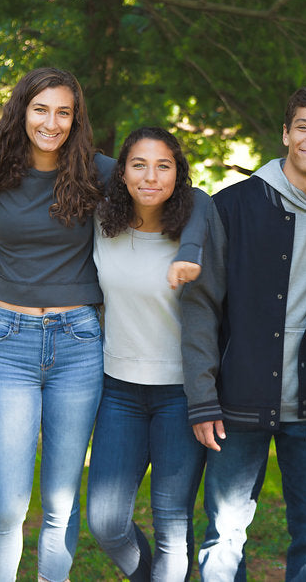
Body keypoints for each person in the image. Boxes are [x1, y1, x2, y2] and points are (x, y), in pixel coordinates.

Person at [0, 67, 208, 582]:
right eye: (40, 109)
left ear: (76, 120)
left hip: (79, 344)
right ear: (21, 111)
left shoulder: (99, 173)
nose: (51, 122)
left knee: (60, 501)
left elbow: (189, 193)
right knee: (8, 503)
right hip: (10, 340)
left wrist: (188, 249)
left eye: (63, 112)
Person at [182, 84, 306, 581]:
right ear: (286, 132)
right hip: (237, 402)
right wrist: (201, 397)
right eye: (304, 126)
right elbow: (199, 308)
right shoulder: (232, 206)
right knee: (223, 536)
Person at [87, 127, 207, 581]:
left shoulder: (197, 230)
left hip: (180, 394)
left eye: (164, 165)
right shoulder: (103, 224)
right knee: (105, 520)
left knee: (172, 525)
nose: (151, 176)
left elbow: (205, 202)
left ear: (179, 174)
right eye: (139, 164)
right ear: (122, 172)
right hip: (119, 391)